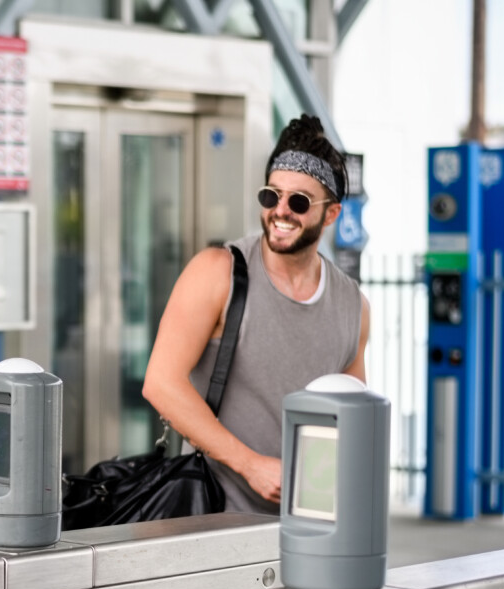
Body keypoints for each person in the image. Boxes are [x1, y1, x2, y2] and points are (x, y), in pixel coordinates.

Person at [142, 114, 370, 515]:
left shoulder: (353, 306)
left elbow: (348, 423)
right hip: (211, 522)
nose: (281, 211)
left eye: (298, 201)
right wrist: (251, 466)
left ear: (331, 214)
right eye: (271, 196)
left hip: (308, 529)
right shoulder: (218, 272)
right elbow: (161, 383)